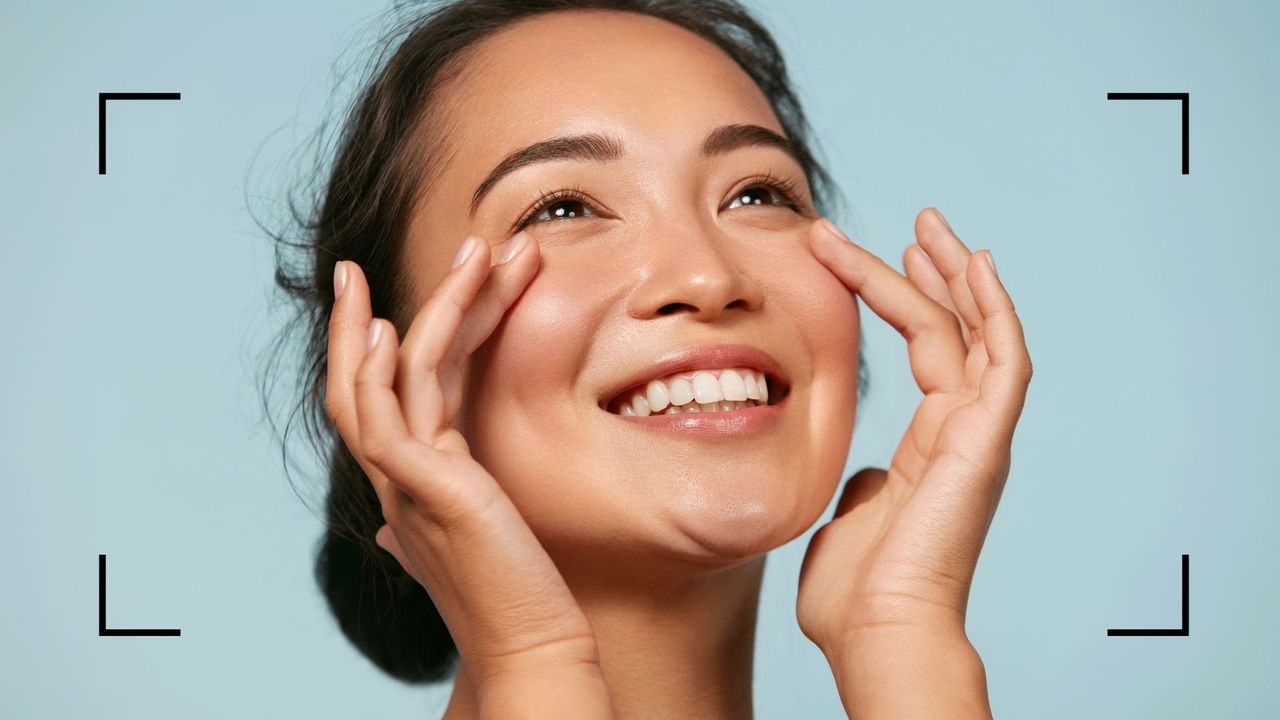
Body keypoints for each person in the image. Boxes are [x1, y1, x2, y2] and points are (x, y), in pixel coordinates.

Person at [265, 1, 1032, 717]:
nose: (708, 276)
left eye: (757, 195)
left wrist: (903, 642)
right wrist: (533, 666)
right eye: (563, 208)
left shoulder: (911, 668)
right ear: (383, 368)